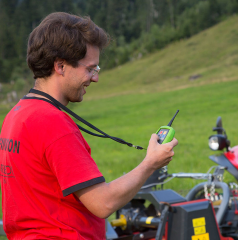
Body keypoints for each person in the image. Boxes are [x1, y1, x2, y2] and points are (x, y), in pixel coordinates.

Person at [0, 12, 178, 239]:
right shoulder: (52, 123)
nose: (95, 78)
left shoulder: (17, 114)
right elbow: (103, 203)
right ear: (61, 66)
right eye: (90, 68)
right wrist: (150, 164)